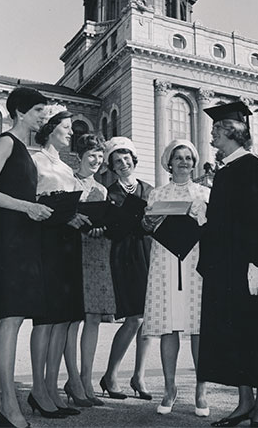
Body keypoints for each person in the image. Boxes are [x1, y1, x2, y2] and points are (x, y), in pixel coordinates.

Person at [196, 101, 258, 428]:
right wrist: (204, 217)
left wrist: (257, 265)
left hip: (248, 267)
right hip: (225, 267)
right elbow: (225, 221)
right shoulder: (226, 169)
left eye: (216, 131)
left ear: (233, 132)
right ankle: (244, 401)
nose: (212, 137)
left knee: (255, 333)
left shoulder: (251, 166)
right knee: (234, 334)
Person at [0, 87, 54, 428]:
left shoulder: (24, 150)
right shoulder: (6, 142)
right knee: (10, 319)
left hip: (22, 241)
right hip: (7, 241)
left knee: (12, 319)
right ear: (21, 112)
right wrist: (28, 206)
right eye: (38, 110)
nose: (43, 116)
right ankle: (8, 404)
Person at [142, 140, 210, 417]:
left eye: (188, 158)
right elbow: (147, 227)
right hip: (166, 263)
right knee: (170, 327)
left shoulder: (205, 193)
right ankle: (169, 388)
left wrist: (204, 218)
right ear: (169, 162)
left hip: (196, 263)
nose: (183, 162)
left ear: (194, 163)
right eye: (178, 157)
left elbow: (215, 230)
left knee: (198, 328)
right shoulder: (157, 194)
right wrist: (147, 223)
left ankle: (201, 390)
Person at [29, 105, 89, 419]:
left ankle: (52, 388)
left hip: (68, 244)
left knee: (64, 319)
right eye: (66, 128)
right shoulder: (35, 160)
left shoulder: (66, 169)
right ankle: (38, 389)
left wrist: (76, 216)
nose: (70, 133)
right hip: (47, 243)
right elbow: (31, 203)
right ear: (51, 127)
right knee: (46, 318)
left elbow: (67, 206)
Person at [63, 134, 116, 407]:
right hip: (71, 252)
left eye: (99, 155)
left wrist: (101, 226)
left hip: (96, 251)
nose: (96, 160)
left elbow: (104, 221)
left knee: (93, 317)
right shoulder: (66, 181)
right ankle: (72, 379)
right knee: (72, 318)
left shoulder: (102, 191)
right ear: (80, 156)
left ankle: (86, 378)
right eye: (91, 155)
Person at [100, 137, 153, 400]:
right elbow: (109, 227)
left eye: (126, 159)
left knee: (149, 319)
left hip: (149, 253)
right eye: (117, 161)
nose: (123, 164)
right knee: (134, 317)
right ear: (111, 165)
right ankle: (111, 375)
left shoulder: (149, 189)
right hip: (124, 255)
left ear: (134, 160)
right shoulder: (108, 192)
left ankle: (139, 376)